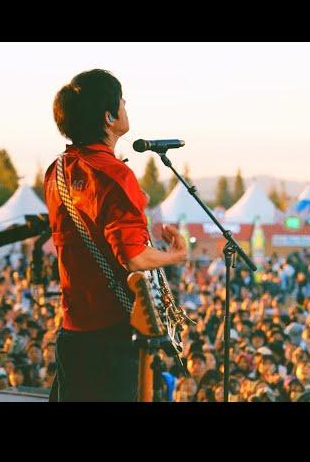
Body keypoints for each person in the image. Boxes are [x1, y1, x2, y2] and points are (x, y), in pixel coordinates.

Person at [45, 69, 187, 401]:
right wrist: (176, 255)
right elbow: (134, 257)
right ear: (109, 117)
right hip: (112, 337)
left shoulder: (58, 171)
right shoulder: (114, 174)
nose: (126, 104)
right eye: (121, 99)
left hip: (73, 332)